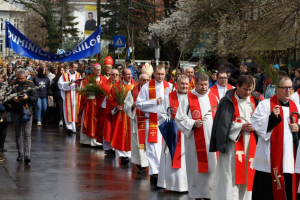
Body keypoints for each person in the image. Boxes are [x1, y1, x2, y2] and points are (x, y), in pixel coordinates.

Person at [209, 75, 262, 200]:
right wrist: (240, 126)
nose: (247, 93)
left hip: (251, 143)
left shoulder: (256, 99)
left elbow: (263, 120)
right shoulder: (227, 100)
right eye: (245, 89)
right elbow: (222, 124)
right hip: (232, 145)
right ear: (237, 86)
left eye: (250, 90)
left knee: (248, 175)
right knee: (230, 175)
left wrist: (255, 127)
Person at [251, 76, 300, 200]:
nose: (288, 91)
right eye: (284, 88)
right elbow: (256, 124)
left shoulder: (297, 107)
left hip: (290, 158)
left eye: (290, 88)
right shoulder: (265, 105)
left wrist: (298, 128)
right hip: (269, 158)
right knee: (267, 192)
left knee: (289, 188)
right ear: (277, 89)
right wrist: (272, 118)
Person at [176, 73, 219, 199]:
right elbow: (179, 118)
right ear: (195, 84)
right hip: (195, 141)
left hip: (212, 139)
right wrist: (192, 123)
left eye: (206, 85)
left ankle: (211, 193)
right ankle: (197, 194)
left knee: (213, 166)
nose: (204, 87)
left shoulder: (214, 97)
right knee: (196, 168)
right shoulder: (188, 98)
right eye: (201, 85)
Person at [136, 65, 172, 185]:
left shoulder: (170, 87)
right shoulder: (146, 87)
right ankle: (155, 172)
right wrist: (153, 101)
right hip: (152, 121)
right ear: (154, 74)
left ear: (165, 74)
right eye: (158, 74)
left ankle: (165, 172)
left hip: (166, 121)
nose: (160, 76)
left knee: (165, 147)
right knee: (152, 148)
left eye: (162, 74)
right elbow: (139, 104)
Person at [158, 75, 189, 192]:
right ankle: (171, 184)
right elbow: (161, 114)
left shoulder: (191, 97)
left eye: (186, 84)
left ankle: (186, 185)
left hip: (186, 133)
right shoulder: (169, 96)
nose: (184, 86)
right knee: (170, 156)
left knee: (185, 158)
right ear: (177, 84)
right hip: (172, 133)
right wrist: (170, 122)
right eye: (182, 84)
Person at [9, 69, 38, 164]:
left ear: (25, 77)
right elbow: (6, 98)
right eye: (18, 78)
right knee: (18, 134)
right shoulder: (12, 84)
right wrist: (14, 99)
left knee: (27, 134)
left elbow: (35, 98)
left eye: (22, 78)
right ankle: (20, 154)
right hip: (16, 111)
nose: (20, 80)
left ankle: (27, 155)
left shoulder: (31, 84)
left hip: (27, 111)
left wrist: (27, 98)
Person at [124, 73, 151, 172]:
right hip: (137, 121)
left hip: (150, 122)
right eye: (143, 80)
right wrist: (133, 105)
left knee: (150, 144)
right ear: (139, 81)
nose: (146, 82)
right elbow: (126, 106)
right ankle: (140, 164)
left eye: (148, 80)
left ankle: (150, 164)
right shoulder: (132, 92)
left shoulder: (153, 91)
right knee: (138, 144)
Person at [108, 68, 135, 164]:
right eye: (127, 74)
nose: (129, 76)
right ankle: (122, 155)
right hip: (121, 114)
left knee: (132, 134)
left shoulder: (135, 86)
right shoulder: (117, 86)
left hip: (132, 114)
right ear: (122, 75)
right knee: (121, 134)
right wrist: (116, 106)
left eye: (130, 74)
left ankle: (131, 154)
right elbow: (111, 99)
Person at [78, 64, 106, 147]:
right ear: (93, 70)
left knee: (98, 121)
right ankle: (87, 141)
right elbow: (83, 90)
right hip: (89, 104)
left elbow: (106, 90)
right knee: (88, 120)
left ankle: (98, 141)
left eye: (99, 70)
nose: (98, 71)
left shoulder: (104, 79)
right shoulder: (88, 79)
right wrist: (88, 95)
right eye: (96, 70)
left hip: (99, 104)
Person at [98, 68, 120, 154]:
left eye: (116, 75)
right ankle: (107, 147)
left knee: (116, 128)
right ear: (110, 75)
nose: (114, 76)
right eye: (113, 74)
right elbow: (99, 97)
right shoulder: (104, 84)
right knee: (107, 129)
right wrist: (106, 98)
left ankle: (115, 147)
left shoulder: (121, 85)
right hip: (107, 110)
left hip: (118, 110)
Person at [58, 62, 82, 134]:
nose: (76, 69)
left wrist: (79, 84)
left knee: (74, 110)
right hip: (67, 94)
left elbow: (81, 85)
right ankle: (69, 127)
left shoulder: (78, 75)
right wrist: (68, 83)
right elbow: (60, 84)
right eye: (74, 67)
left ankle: (74, 127)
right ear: (70, 67)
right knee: (68, 111)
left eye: (76, 67)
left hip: (75, 94)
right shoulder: (64, 75)